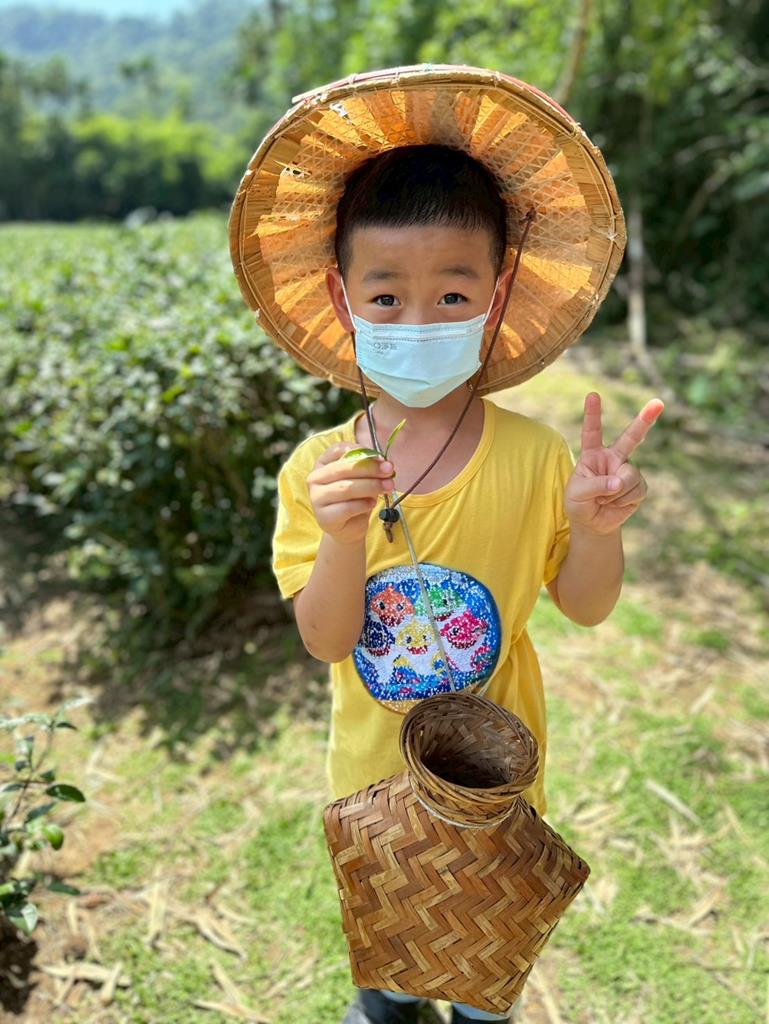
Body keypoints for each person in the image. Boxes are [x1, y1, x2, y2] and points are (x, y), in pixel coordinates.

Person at [229, 66, 664, 1024]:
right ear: (342, 296)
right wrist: (341, 537)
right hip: (371, 782)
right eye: (385, 297)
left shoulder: (535, 456)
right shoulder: (317, 471)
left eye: (453, 292)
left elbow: (586, 606)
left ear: (497, 294)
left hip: (494, 786)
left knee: (482, 966)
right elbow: (326, 639)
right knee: (387, 967)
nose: (417, 320)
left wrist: (596, 531)